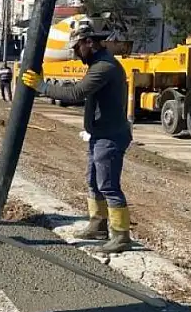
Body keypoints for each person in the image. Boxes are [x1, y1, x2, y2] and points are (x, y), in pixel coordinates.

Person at [20, 23, 134, 254]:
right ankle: (98, 224)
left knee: (108, 185)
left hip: (110, 137)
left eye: (77, 47)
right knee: (93, 182)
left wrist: (40, 86)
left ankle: (121, 235)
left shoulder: (104, 67)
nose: (75, 53)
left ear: (89, 43)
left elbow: (74, 94)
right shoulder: (97, 64)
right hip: (100, 134)